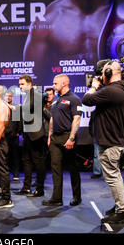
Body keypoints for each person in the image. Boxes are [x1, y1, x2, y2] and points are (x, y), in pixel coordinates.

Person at [23, 0, 110, 72]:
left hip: (110, 85)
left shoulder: (118, 10)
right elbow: (34, 74)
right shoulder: (49, 18)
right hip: (67, 84)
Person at [82, 61, 124, 224]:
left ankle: (122, 212)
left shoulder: (111, 91)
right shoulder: (118, 89)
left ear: (109, 73)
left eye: (103, 73)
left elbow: (87, 99)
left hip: (110, 142)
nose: (101, 76)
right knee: (115, 176)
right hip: (112, 140)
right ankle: (119, 206)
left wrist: (95, 86)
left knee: (113, 177)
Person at [42, 74, 82, 207]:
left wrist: (71, 138)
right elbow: (52, 119)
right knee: (55, 169)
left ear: (64, 83)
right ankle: (57, 198)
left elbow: (76, 119)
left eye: (55, 83)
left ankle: (77, 197)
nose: (53, 86)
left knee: (72, 168)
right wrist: (49, 137)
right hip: (55, 139)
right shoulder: (56, 100)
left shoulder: (74, 99)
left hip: (67, 137)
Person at [16, 75, 46, 198]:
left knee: (38, 162)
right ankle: (26, 187)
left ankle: (40, 189)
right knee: (26, 161)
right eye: (19, 84)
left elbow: (28, 109)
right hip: (28, 133)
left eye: (22, 84)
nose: (20, 87)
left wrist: (15, 107)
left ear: (29, 83)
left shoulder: (37, 93)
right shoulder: (28, 95)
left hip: (36, 134)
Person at [3, 90, 21, 181]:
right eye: (6, 96)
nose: (8, 97)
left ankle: (16, 173)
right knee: (4, 155)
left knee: (15, 155)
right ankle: (4, 173)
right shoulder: (1, 107)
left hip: (14, 135)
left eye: (10, 96)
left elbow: (19, 120)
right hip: (4, 135)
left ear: (12, 97)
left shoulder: (16, 107)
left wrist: (19, 132)